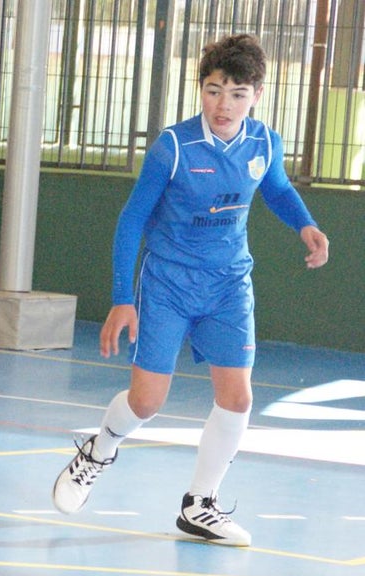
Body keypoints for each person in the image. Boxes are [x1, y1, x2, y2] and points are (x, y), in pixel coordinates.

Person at [51, 34, 329, 546]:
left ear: (257, 95)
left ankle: (200, 504)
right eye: (214, 90)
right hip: (169, 284)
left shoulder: (264, 143)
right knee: (147, 402)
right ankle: (99, 450)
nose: (224, 105)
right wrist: (121, 298)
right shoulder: (173, 147)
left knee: (238, 397)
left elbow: (277, 188)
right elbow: (132, 219)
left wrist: (305, 224)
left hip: (229, 284)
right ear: (201, 89)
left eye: (238, 94)